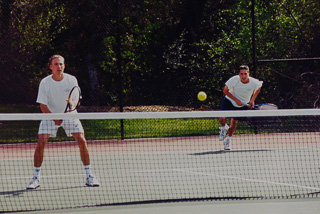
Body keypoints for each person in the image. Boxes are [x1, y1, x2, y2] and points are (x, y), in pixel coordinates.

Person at [27, 55, 100, 189]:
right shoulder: (45, 82)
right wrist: (54, 118)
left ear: (64, 66)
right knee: (41, 142)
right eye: (56, 64)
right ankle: (35, 178)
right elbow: (42, 105)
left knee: (81, 140)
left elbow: (75, 99)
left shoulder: (71, 80)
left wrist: (69, 110)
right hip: (49, 115)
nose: (59, 67)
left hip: (69, 114)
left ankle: (90, 175)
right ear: (51, 67)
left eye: (61, 64)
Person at [218, 65, 263, 150]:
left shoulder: (254, 82)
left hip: (243, 104)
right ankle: (224, 128)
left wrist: (252, 100)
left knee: (234, 122)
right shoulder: (234, 80)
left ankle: (228, 140)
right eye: (241, 74)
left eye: (245, 74)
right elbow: (225, 91)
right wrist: (236, 100)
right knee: (221, 118)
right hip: (229, 101)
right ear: (239, 74)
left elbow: (258, 88)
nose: (243, 76)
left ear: (248, 74)